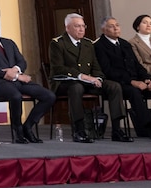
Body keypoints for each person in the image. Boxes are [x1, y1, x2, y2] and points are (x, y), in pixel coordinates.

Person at [0, 13, 55, 144]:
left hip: (18, 81)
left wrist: (15, 70)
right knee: (16, 96)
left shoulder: (8, 42)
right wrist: (17, 76)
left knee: (49, 96)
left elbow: (22, 62)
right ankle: (18, 131)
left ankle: (28, 126)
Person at [48, 13, 130, 143]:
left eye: (83, 26)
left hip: (88, 82)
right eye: (77, 26)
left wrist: (98, 78)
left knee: (114, 86)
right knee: (76, 88)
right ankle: (79, 130)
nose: (81, 29)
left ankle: (116, 130)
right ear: (67, 27)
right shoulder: (58, 43)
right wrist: (83, 76)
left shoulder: (88, 44)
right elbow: (59, 68)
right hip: (65, 82)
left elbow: (96, 67)